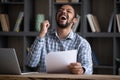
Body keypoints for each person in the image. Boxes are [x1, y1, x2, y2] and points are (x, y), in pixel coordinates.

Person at [26, 4, 93, 75]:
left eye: (68, 11)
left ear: (74, 20)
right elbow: (31, 63)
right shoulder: (43, 37)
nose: (63, 11)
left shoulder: (82, 43)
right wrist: (41, 34)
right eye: (60, 10)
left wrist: (82, 70)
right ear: (56, 17)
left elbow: (88, 70)